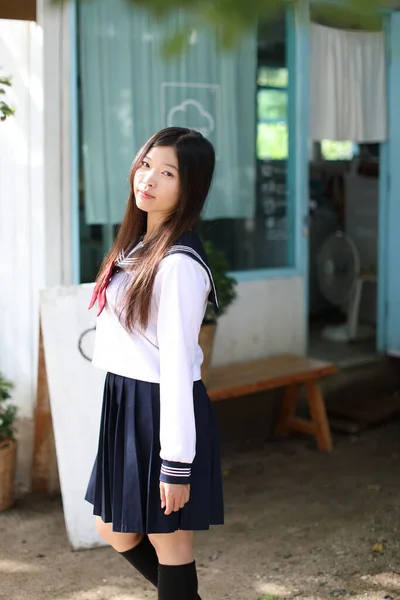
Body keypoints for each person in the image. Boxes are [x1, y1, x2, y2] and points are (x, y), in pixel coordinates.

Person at [85, 127, 224, 600]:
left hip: (159, 408)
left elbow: (177, 368)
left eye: (168, 173)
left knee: (171, 544)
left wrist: (176, 464)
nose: (148, 178)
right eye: (147, 164)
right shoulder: (140, 246)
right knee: (115, 530)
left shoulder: (179, 263)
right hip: (126, 403)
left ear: (190, 188)